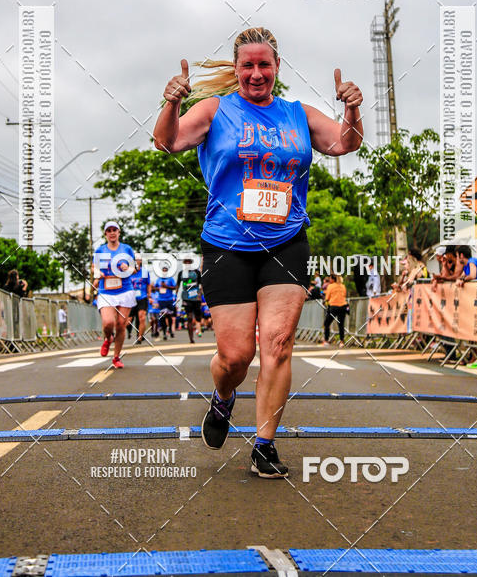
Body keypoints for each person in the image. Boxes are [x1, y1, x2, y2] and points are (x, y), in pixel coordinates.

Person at [153, 26, 363, 478]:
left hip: (285, 241)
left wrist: (352, 109)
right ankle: (224, 398)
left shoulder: (297, 114)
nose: (255, 73)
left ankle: (264, 445)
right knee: (235, 358)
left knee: (279, 345)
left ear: (277, 68)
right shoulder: (215, 110)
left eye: (263, 64)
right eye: (247, 65)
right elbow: (167, 142)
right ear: (236, 69)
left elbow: (344, 143)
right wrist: (171, 102)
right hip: (227, 244)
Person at [92, 221, 136, 368]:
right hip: (106, 292)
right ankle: (108, 338)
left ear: (119, 232)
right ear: (105, 234)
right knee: (108, 322)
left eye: (114, 230)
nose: (112, 232)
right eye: (109, 230)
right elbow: (94, 268)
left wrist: (127, 267)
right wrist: (98, 273)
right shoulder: (100, 250)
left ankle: (116, 357)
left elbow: (135, 269)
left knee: (121, 325)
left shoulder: (126, 249)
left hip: (125, 290)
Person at [178, 257, 203, 344]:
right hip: (186, 298)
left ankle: (198, 329)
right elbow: (178, 285)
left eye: (189, 262)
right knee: (189, 318)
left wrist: (201, 295)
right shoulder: (181, 273)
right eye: (186, 262)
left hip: (196, 298)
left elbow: (201, 284)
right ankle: (191, 338)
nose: (187, 263)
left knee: (198, 317)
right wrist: (176, 296)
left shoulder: (196, 272)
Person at [127, 255, 150, 344]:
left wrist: (149, 295)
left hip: (142, 297)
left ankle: (139, 337)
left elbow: (148, 284)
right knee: (128, 320)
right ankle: (128, 330)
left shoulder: (144, 271)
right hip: (130, 298)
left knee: (142, 317)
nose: (137, 261)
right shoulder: (129, 272)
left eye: (138, 260)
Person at [323, 274, 348, 347]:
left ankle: (326, 340)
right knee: (341, 324)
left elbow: (327, 297)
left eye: (330, 279)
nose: (330, 280)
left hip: (333, 306)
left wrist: (325, 301)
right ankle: (342, 341)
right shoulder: (343, 286)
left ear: (333, 279)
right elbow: (344, 295)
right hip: (343, 306)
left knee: (327, 323)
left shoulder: (330, 286)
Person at [154, 265, 177, 340]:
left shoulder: (170, 279)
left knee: (169, 316)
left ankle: (170, 329)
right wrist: (159, 288)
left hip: (169, 299)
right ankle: (164, 332)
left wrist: (166, 286)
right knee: (162, 316)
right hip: (161, 300)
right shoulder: (158, 279)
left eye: (165, 270)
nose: (164, 272)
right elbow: (154, 288)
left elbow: (174, 287)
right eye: (163, 270)